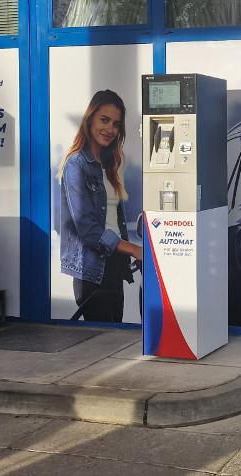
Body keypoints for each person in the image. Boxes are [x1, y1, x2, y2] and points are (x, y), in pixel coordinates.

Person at [58, 89, 143, 322]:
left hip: (114, 262)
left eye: (116, 124)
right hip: (93, 268)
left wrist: (128, 251)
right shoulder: (77, 164)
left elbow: (114, 220)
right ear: (90, 119)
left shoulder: (108, 165)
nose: (110, 129)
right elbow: (87, 228)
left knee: (114, 336)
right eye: (104, 120)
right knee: (102, 342)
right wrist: (134, 249)